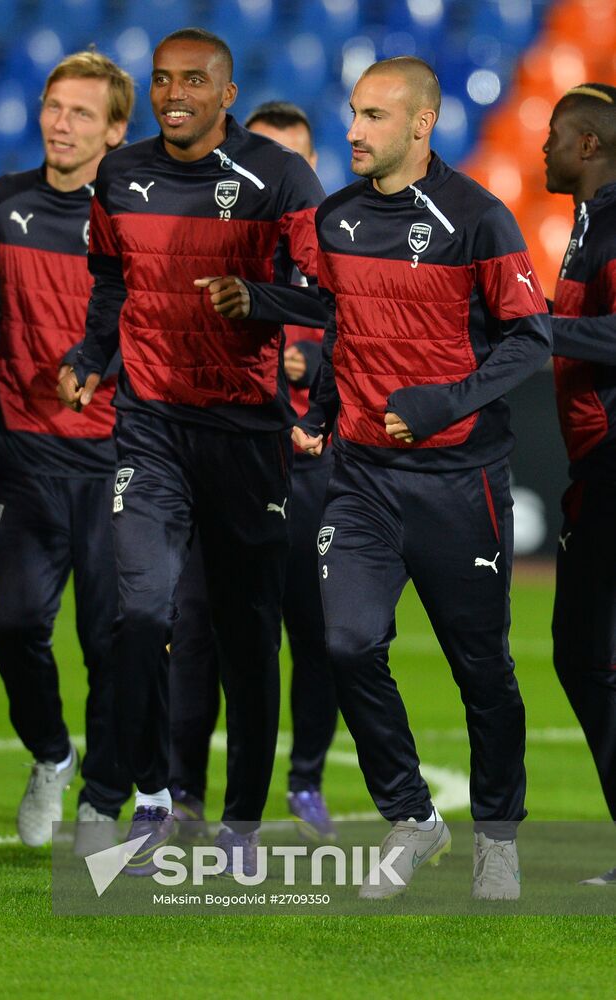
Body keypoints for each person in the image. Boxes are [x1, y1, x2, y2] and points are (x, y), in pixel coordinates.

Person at [59, 28, 325, 875]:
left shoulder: (278, 177)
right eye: (163, 80)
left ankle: (240, 821)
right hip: (150, 426)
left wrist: (259, 298)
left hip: (246, 434)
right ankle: (150, 798)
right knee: (138, 612)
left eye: (194, 81)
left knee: (248, 635)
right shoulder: (120, 173)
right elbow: (109, 281)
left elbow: (326, 292)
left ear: (228, 89)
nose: (175, 93)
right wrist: (91, 355)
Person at [293, 56, 552, 899]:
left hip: (458, 482)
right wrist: (323, 411)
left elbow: (530, 336)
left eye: (373, 116)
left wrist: (451, 402)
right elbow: (341, 329)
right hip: (362, 478)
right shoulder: (333, 221)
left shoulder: (478, 219)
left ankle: (498, 835)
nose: (355, 131)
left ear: (421, 124)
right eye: (353, 114)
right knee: (345, 642)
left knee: (482, 668)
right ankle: (413, 816)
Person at [0, 51, 136, 851]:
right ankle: (51, 757)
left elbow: (147, 321)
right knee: (15, 627)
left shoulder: (131, 220)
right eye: (56, 106)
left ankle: (101, 797)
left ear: (115, 132)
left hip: (113, 460)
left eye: (82, 113)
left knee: (109, 644)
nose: (62, 122)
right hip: (26, 455)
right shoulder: (8, 200)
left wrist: (100, 367)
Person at [167, 100, 338, 842]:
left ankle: (304, 783)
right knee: (198, 627)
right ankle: (184, 795)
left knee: (318, 633)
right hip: (229, 466)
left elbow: (379, 336)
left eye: (292, 161)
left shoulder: (338, 254)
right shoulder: (208, 252)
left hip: (315, 477)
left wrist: (320, 363)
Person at [544, 82, 616, 886]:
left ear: (590, 144)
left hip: (612, 462)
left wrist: (538, 328)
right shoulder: (589, 222)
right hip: (594, 466)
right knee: (584, 655)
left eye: (556, 136)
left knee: (586, 654)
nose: (544, 147)